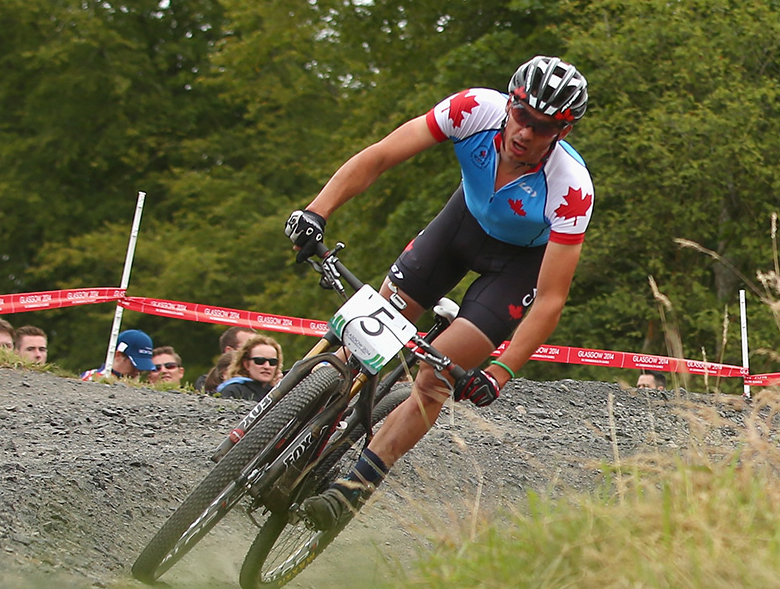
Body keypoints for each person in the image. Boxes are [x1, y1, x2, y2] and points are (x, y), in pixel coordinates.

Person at [285, 55, 593, 532]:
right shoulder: (472, 109)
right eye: (521, 116)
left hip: (514, 269)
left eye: (542, 127)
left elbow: (551, 298)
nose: (525, 133)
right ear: (509, 103)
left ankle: (355, 486)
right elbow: (381, 155)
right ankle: (278, 418)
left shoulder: (571, 189)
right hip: (459, 229)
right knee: (362, 335)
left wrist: (501, 371)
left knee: (434, 379)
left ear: (562, 133)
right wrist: (317, 211)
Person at [216, 335, 283, 402]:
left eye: (273, 362)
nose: (267, 366)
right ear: (246, 364)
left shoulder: (278, 393)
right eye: (259, 361)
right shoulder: (232, 391)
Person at [193, 327, 254, 392]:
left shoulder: (263, 381)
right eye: (247, 348)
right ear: (229, 351)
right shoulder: (207, 383)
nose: (256, 352)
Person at [80, 329, 157, 381]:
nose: (139, 371)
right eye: (135, 364)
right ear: (118, 355)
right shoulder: (92, 380)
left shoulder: (139, 387)